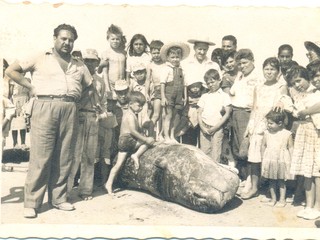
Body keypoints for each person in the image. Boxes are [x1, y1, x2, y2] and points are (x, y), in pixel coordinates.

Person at [5, 24, 93, 218]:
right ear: (54, 38)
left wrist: (77, 104)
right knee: (41, 156)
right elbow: (11, 71)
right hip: (45, 105)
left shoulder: (79, 64)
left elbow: (90, 87)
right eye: (63, 38)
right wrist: (30, 86)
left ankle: (59, 198)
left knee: (64, 157)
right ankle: (32, 202)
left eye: (71, 40)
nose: (67, 43)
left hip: (69, 108)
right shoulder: (39, 56)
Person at [241, 57, 289, 200]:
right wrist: (249, 128)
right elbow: (254, 108)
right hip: (257, 125)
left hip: (272, 127)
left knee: (271, 158)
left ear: (278, 71)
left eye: (272, 69)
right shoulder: (259, 86)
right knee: (255, 158)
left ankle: (271, 189)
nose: (269, 72)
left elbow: (284, 99)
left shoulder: (281, 86)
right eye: (266, 69)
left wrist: (281, 101)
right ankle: (255, 188)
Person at [67, 49, 104, 201]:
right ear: (83, 61)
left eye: (93, 60)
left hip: (93, 117)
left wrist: (102, 112)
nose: (90, 63)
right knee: (74, 155)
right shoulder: (78, 76)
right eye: (87, 60)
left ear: (97, 62)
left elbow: (103, 101)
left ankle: (85, 190)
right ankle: (66, 190)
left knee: (89, 156)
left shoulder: (100, 80)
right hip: (79, 115)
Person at [105, 91, 155, 194]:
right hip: (128, 140)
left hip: (123, 141)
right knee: (150, 141)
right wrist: (145, 139)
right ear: (131, 104)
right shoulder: (130, 116)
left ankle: (109, 184)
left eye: (142, 106)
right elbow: (133, 131)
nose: (141, 108)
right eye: (139, 105)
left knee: (118, 165)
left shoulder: (130, 114)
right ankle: (136, 155)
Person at [290, 64, 320, 220]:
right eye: (294, 82)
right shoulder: (299, 96)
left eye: (299, 80)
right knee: (306, 170)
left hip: (315, 134)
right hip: (304, 132)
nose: (297, 84)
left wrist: (305, 112)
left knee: (316, 172)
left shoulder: (315, 93)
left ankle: (317, 206)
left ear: (307, 78)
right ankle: (309, 205)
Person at [229, 49, 262, 183]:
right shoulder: (240, 75)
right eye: (240, 64)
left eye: (244, 63)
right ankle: (243, 177)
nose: (242, 66)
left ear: (252, 60)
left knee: (246, 147)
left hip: (247, 113)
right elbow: (232, 92)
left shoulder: (258, 76)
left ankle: (251, 179)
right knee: (237, 146)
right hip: (235, 112)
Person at [182, 38, 219, 145]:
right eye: (199, 49)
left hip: (208, 105)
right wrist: (186, 98)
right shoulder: (185, 64)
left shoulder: (213, 65)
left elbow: (216, 87)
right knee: (189, 138)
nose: (202, 52)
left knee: (205, 140)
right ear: (194, 48)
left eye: (204, 50)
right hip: (190, 104)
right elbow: (182, 84)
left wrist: (201, 100)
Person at [197, 68, 232, 162]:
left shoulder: (224, 96)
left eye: (212, 82)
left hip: (217, 128)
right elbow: (199, 113)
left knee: (216, 154)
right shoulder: (205, 96)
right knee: (204, 153)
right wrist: (202, 127)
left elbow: (227, 114)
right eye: (208, 83)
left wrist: (216, 127)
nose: (210, 85)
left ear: (219, 80)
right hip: (204, 127)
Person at [261, 110, 294, 207]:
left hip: (282, 160)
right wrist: (263, 157)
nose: (268, 125)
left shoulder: (287, 134)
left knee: (281, 181)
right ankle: (273, 199)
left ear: (280, 123)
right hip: (270, 159)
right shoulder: (266, 133)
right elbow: (263, 145)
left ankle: (282, 199)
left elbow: (291, 147)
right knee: (271, 180)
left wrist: (292, 160)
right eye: (268, 123)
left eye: (271, 123)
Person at [160, 42, 190, 143]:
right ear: (168, 57)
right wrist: (163, 97)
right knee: (168, 116)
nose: (175, 59)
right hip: (169, 95)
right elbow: (162, 83)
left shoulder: (182, 70)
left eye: (177, 57)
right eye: (172, 57)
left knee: (175, 116)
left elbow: (185, 85)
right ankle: (166, 136)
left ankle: (172, 135)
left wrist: (185, 97)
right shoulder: (166, 69)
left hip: (179, 96)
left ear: (180, 58)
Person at [98, 24, 126, 103]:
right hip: (110, 84)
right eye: (113, 39)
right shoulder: (106, 53)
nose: (115, 41)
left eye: (117, 39)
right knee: (111, 105)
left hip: (122, 84)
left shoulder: (123, 53)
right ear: (108, 39)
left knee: (122, 106)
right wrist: (107, 87)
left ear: (121, 39)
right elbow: (104, 72)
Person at [145, 40, 165, 139]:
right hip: (156, 90)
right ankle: (150, 135)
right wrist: (146, 93)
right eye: (154, 53)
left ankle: (161, 134)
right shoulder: (150, 65)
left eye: (159, 53)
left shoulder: (166, 63)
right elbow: (148, 80)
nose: (156, 55)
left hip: (166, 89)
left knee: (164, 114)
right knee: (156, 113)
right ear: (151, 53)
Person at [10, 78, 30, 150]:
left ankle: (23, 143)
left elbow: (29, 93)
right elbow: (10, 94)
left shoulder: (27, 80)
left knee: (23, 124)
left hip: (25, 102)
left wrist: (28, 105)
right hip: (15, 102)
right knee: (14, 124)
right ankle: (15, 143)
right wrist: (14, 106)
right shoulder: (12, 80)